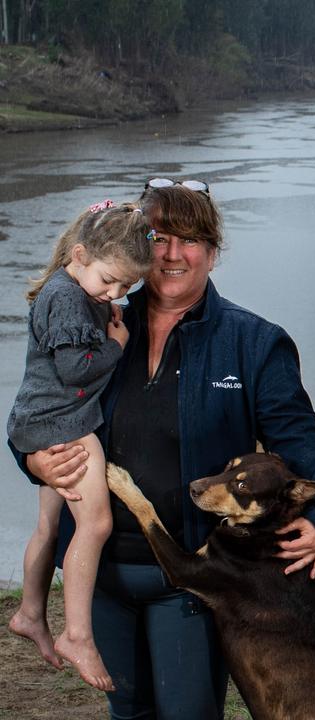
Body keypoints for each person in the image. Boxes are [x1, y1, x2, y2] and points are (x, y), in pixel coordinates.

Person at [13, 179, 315, 720]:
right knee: (129, 714)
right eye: (159, 237)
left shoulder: (254, 342)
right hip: (100, 572)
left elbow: (301, 447)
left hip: (191, 580)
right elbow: (38, 403)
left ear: (213, 252)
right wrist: (30, 460)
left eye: (189, 240)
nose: (171, 254)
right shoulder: (95, 318)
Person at [7, 200, 153, 691]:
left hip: (34, 419)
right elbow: (74, 371)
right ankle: (78, 634)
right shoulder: (69, 298)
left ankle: (30, 612)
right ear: (80, 253)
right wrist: (116, 344)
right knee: (96, 523)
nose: (114, 293)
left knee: (49, 526)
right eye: (109, 279)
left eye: (126, 287)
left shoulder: (68, 286)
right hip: (62, 423)